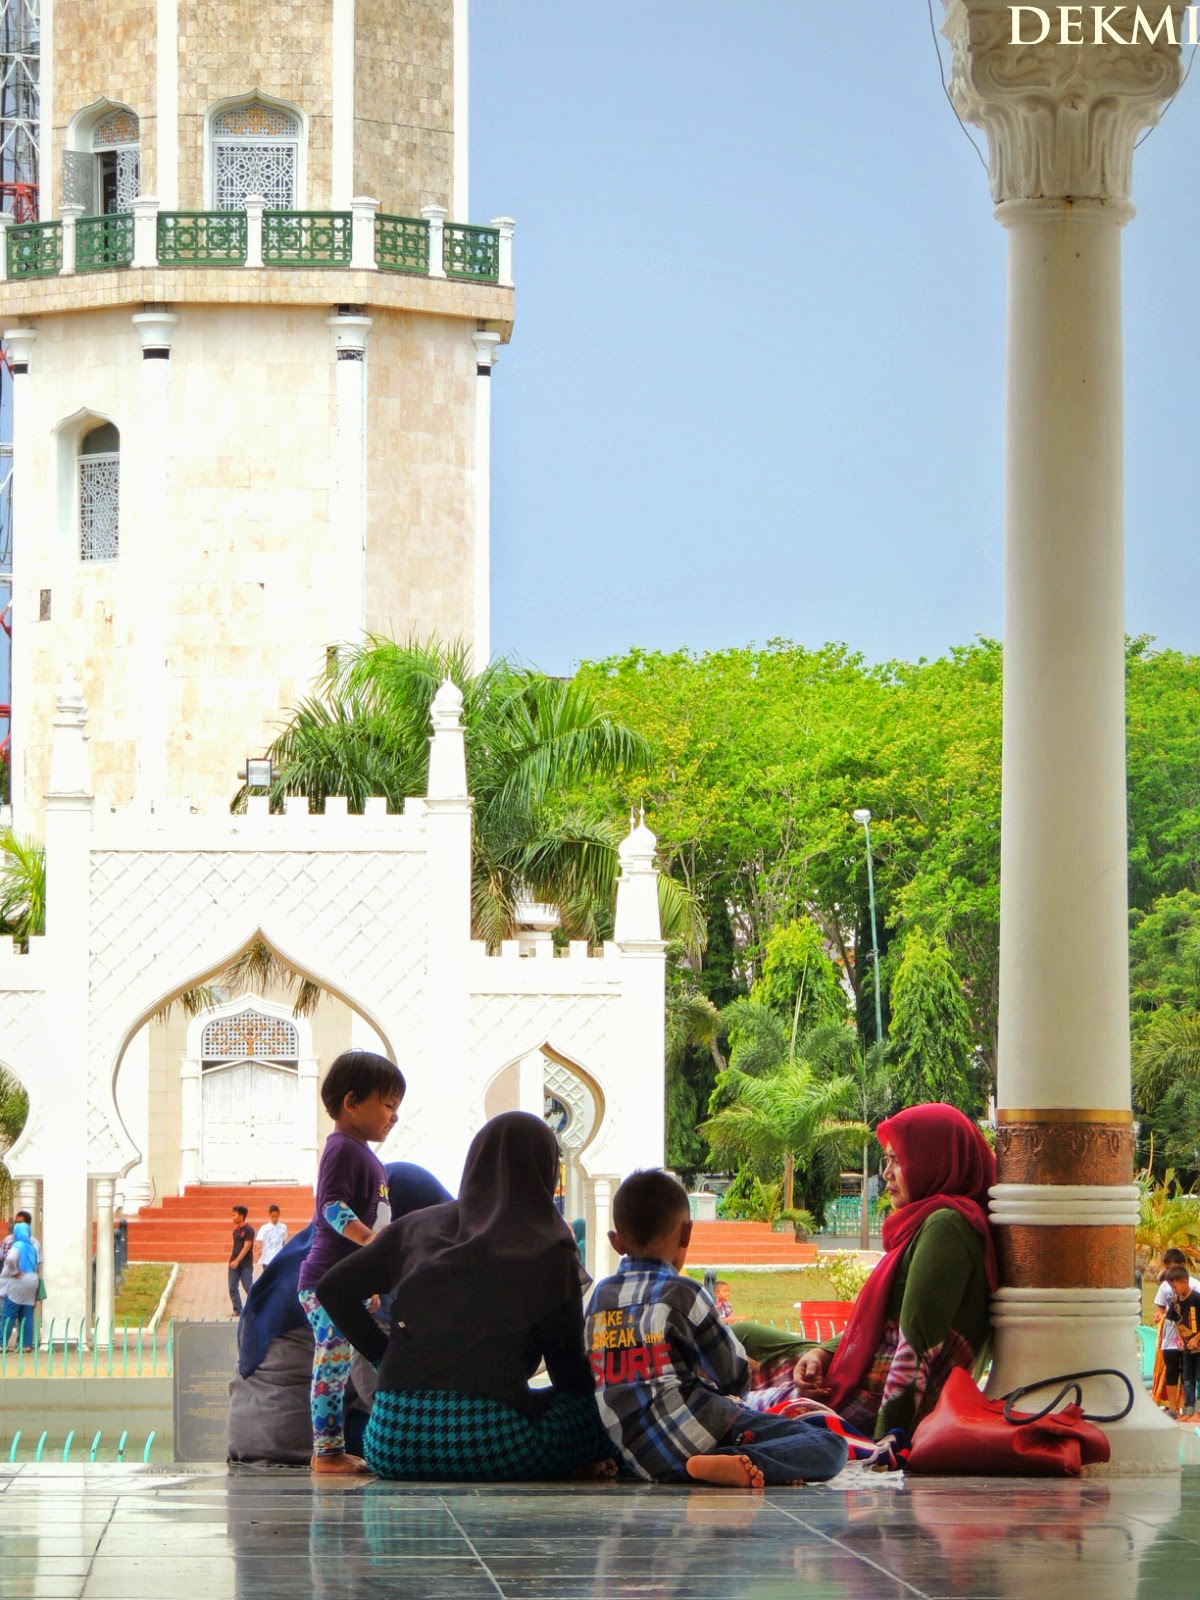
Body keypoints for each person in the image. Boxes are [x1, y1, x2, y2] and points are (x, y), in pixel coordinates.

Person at [317, 1110, 613, 1482]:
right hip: (491, 1442)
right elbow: (568, 1370)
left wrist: (383, 1356)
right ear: (545, 1170)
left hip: (392, 1442)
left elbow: (332, 1288)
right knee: (591, 1407)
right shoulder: (547, 1246)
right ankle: (580, 1460)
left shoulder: (416, 1226)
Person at [741, 1103, 997, 1443]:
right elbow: (879, 1321)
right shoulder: (931, 1222)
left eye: (899, 1160)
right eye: (887, 1160)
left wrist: (884, 1443)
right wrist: (823, 1352)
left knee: (733, 1372)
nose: (888, 1173)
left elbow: (915, 1347)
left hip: (870, 1398)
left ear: (935, 1160)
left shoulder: (946, 1227)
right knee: (741, 1337)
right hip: (862, 1367)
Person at [586, 1169, 849, 1488]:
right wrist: (741, 1370)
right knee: (831, 1446)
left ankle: (716, 1465)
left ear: (616, 1243)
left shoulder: (600, 1298)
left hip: (640, 1457)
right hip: (704, 1428)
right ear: (687, 1234)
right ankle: (745, 1461)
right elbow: (735, 1379)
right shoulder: (683, 1293)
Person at [227, 1163, 451, 1465]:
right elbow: (375, 1383)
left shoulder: (311, 1252)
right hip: (292, 1443)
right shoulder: (357, 1273)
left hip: (253, 1433)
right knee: (427, 1438)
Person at [298, 1048, 406, 1475]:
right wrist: (373, 1243)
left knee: (341, 1364)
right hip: (326, 1280)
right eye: (388, 1104)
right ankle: (326, 1454)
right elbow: (333, 1208)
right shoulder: (342, 1149)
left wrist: (373, 1282)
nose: (394, 1116)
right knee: (333, 1360)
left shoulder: (367, 1157)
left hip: (348, 1283)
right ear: (351, 1102)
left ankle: (332, 1449)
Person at [1152, 1248, 1200, 1418]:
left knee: (1195, 1376)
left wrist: (1195, 1337)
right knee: (1177, 1373)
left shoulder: (1196, 1289)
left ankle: (1195, 1411)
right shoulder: (1168, 1289)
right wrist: (1158, 1314)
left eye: (1173, 1267)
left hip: (1194, 1341)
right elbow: (1164, 1310)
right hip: (1174, 1339)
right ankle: (1177, 1409)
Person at [1163, 1265, 1200, 1423]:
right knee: (1187, 1379)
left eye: (1175, 1286)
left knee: (1199, 1379)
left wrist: (1197, 1338)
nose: (1174, 1289)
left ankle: (1198, 1411)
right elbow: (1177, 1322)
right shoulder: (1175, 1302)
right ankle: (1189, 1411)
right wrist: (1179, 1339)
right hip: (1187, 1348)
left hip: (1198, 1346)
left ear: (1185, 1282)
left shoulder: (1197, 1298)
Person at [1, 1219, 40, 1351]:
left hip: (19, 1281)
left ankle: (1, 1343)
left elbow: (10, 1259)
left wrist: (14, 1272)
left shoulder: (18, 1246)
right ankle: (26, 1345)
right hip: (32, 1281)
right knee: (27, 1313)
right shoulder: (32, 1247)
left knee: (9, 1313)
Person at [228, 1205, 255, 1317]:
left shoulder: (249, 1230)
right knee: (232, 1287)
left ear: (242, 1216)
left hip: (245, 1264)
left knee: (248, 1286)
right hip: (233, 1263)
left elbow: (247, 1246)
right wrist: (233, 1261)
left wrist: (237, 1260)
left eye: (234, 1215)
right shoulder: (235, 1231)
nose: (232, 1217)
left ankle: (255, 1308)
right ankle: (238, 1310)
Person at [255, 1204, 288, 1272]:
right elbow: (259, 1239)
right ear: (269, 1215)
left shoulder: (283, 1227)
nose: (275, 1218)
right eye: (273, 1216)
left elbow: (283, 1241)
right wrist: (259, 1248)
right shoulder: (264, 1228)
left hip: (278, 1256)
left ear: (279, 1215)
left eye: (276, 1216)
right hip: (267, 1257)